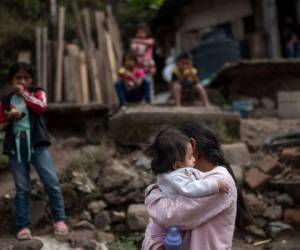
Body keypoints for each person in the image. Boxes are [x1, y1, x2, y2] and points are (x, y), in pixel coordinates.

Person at [143, 122, 252, 250]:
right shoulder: (185, 178)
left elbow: (169, 216)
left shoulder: (218, 183)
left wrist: (152, 195)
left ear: (193, 146)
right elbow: (155, 225)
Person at [0, 62, 68, 240]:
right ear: (11, 80)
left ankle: (60, 220)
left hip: (37, 145)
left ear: (32, 80)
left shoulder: (38, 92)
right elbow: (0, 122)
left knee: (51, 181)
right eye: (18, 78)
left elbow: (41, 107)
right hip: (16, 148)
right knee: (22, 188)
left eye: (26, 78)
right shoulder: (6, 100)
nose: (22, 81)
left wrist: (23, 93)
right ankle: (23, 226)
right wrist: (8, 118)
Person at [131, 24, 156, 94]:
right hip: (137, 65)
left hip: (148, 64)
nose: (141, 34)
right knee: (138, 81)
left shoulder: (149, 40)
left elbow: (151, 42)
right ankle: (141, 97)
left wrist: (138, 41)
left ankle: (150, 97)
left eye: (143, 32)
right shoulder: (134, 43)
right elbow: (133, 51)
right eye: (139, 32)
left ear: (147, 33)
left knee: (148, 80)